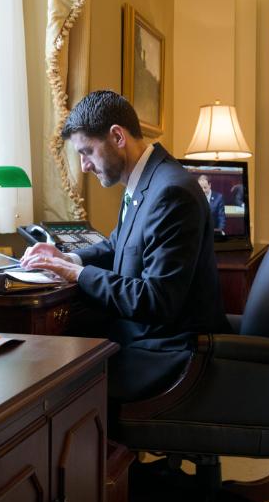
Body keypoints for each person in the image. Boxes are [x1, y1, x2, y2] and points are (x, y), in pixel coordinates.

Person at [21, 90, 229, 403]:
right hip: (147, 337)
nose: (85, 166)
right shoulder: (147, 181)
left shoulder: (172, 192)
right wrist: (67, 257)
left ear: (117, 136)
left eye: (87, 151)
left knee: (53, 381)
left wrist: (78, 274)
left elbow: (156, 301)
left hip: (169, 354)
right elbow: (117, 245)